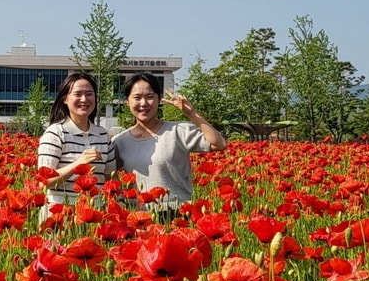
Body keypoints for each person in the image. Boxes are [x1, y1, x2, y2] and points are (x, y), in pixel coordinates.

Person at [112, 72, 227, 216]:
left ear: (159, 99)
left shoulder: (178, 131)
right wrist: (121, 200)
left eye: (150, 97)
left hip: (178, 214)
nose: (143, 103)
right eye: (137, 97)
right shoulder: (120, 141)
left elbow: (219, 143)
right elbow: (109, 175)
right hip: (141, 217)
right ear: (127, 101)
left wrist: (192, 113)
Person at [36, 72, 114, 223]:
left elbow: (110, 178)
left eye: (89, 94)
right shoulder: (55, 133)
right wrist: (79, 163)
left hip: (94, 214)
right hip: (60, 216)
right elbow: (44, 181)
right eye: (78, 94)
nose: (84, 99)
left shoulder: (103, 135)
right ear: (65, 99)